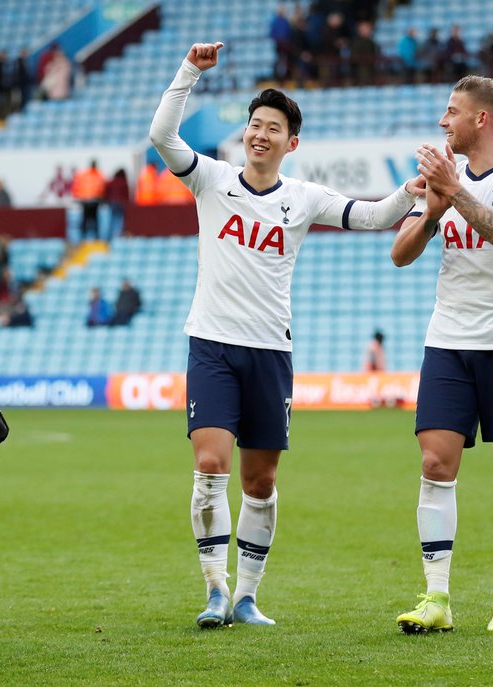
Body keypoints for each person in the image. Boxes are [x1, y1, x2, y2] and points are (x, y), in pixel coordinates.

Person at [150, 41, 423, 629]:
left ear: (290, 142)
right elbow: (163, 138)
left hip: (271, 353)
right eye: (254, 125)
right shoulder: (212, 181)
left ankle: (249, 595)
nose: (260, 135)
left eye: (273, 128)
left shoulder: (302, 199)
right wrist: (190, 72)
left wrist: (413, 192)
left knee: (261, 480)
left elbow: (375, 216)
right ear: (244, 133)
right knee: (209, 465)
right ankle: (216, 590)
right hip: (213, 346)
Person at [390, 75, 493, 634]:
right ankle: (437, 600)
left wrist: (454, 190)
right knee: (435, 464)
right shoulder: (445, 182)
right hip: (448, 341)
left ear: (481, 119)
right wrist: (434, 208)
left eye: (452, 111)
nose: (443, 121)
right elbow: (400, 254)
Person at [71, 160, 106, 241]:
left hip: (86, 200)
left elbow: (77, 186)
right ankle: (92, 237)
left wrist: (78, 196)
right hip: (93, 200)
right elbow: (102, 188)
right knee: (92, 220)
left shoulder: (84, 174)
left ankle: (85, 237)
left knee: (87, 219)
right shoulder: (99, 174)